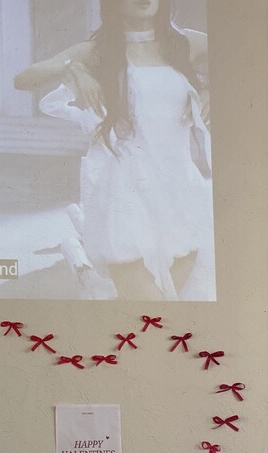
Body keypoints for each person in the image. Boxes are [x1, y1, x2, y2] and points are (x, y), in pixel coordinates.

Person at [14, 0, 215, 301]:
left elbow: (247, 55)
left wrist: (213, 88)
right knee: (149, 306)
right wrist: (72, 69)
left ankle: (90, 280)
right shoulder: (99, 51)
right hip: (125, 192)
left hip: (180, 191)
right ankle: (89, 275)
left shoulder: (185, 43)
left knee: (167, 307)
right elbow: (24, 78)